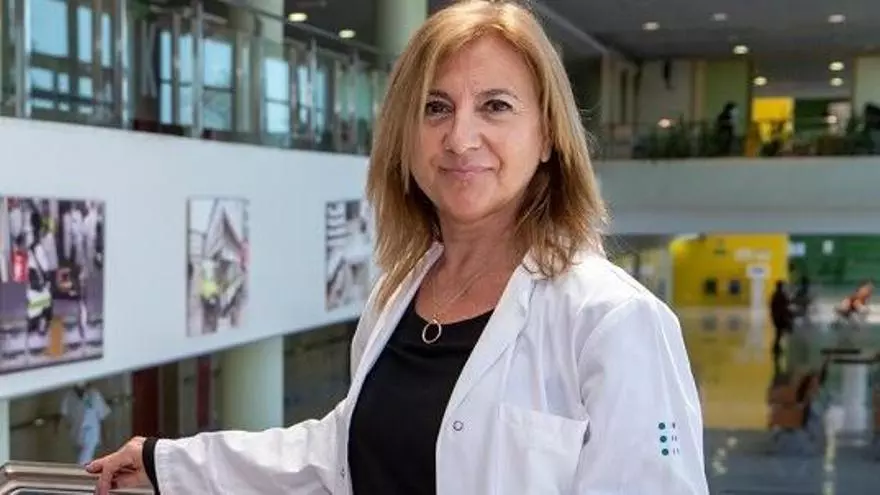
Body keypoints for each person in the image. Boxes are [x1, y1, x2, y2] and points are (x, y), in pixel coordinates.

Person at [88, 1, 707, 494]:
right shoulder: (399, 293)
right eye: (436, 108)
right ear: (406, 136)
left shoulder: (612, 321)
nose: (460, 137)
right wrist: (168, 463)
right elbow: (338, 451)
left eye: (495, 106)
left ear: (547, 135)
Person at [60, 381, 112, 466]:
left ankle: (79, 472)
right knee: (84, 459)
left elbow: (102, 416)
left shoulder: (94, 395)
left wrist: (105, 436)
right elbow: (64, 414)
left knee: (83, 460)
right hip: (76, 434)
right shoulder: (69, 396)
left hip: (91, 433)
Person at [769, 280, 793, 357]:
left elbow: (772, 306)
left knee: (779, 332)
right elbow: (786, 304)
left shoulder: (775, 295)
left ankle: (777, 346)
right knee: (780, 332)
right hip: (780, 316)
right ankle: (776, 346)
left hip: (776, 316)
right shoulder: (782, 295)